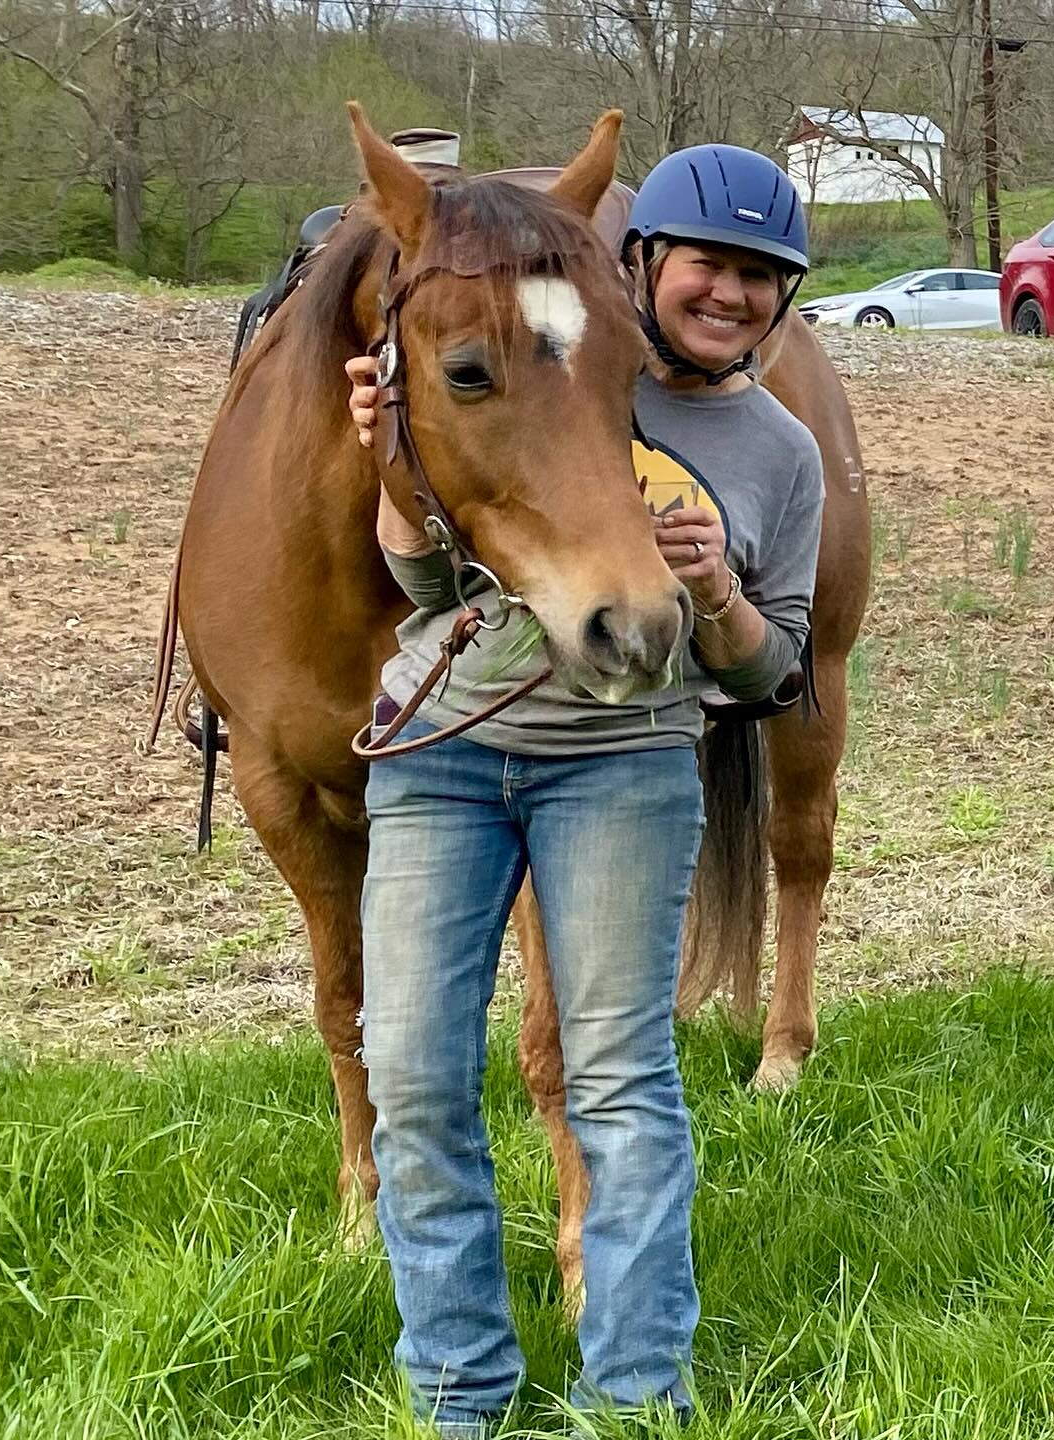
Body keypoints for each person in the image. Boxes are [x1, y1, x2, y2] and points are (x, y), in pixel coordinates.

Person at [347, 144, 824, 1437]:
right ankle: (456, 1391)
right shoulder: (550, 352)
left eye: (760, 280)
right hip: (444, 748)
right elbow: (432, 584)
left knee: (621, 1080)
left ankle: (637, 1395)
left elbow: (775, 669)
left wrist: (714, 582)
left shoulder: (781, 455)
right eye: (707, 267)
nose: (729, 295)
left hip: (621, 764)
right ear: (643, 265)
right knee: (416, 1074)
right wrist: (396, 456)